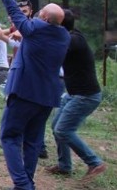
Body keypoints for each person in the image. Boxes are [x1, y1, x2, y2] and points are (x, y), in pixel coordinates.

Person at [0, 0, 69, 190]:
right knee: (33, 142)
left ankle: (23, 184)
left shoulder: (35, 27)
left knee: (9, 136)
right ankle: (27, 183)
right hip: (47, 97)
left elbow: (16, 14)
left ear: (43, 17)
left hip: (25, 92)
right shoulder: (63, 35)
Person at [45, 10, 107, 180]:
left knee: (63, 130)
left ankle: (95, 162)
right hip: (73, 94)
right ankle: (65, 166)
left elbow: (50, 50)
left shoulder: (72, 40)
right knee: (57, 126)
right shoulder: (70, 35)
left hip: (85, 96)